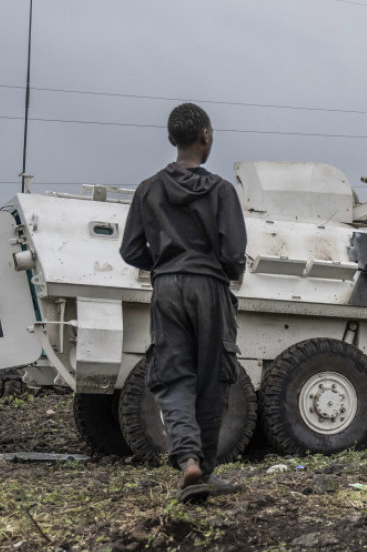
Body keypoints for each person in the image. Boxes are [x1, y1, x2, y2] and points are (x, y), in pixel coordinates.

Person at [120, 102, 248, 502]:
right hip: (209, 287)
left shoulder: (149, 189)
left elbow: (129, 250)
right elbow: (233, 256)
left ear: (172, 138)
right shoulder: (223, 191)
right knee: (213, 379)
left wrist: (162, 264)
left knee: (173, 377)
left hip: (167, 288)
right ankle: (204, 470)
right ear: (205, 136)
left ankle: (189, 463)